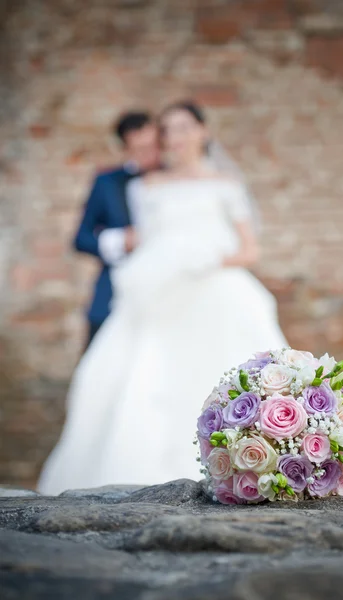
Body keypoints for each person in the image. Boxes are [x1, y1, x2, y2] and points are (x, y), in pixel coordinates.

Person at [38, 101, 288, 494]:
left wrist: (206, 260)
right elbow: (142, 244)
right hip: (160, 295)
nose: (178, 136)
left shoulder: (226, 185)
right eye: (169, 129)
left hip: (216, 287)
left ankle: (250, 462)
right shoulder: (144, 188)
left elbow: (250, 250)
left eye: (186, 127)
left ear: (204, 131)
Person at [74, 112, 160, 347]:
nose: (149, 155)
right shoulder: (106, 182)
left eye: (153, 146)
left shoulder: (178, 178)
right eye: (140, 148)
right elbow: (81, 238)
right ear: (125, 148)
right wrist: (121, 240)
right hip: (117, 287)